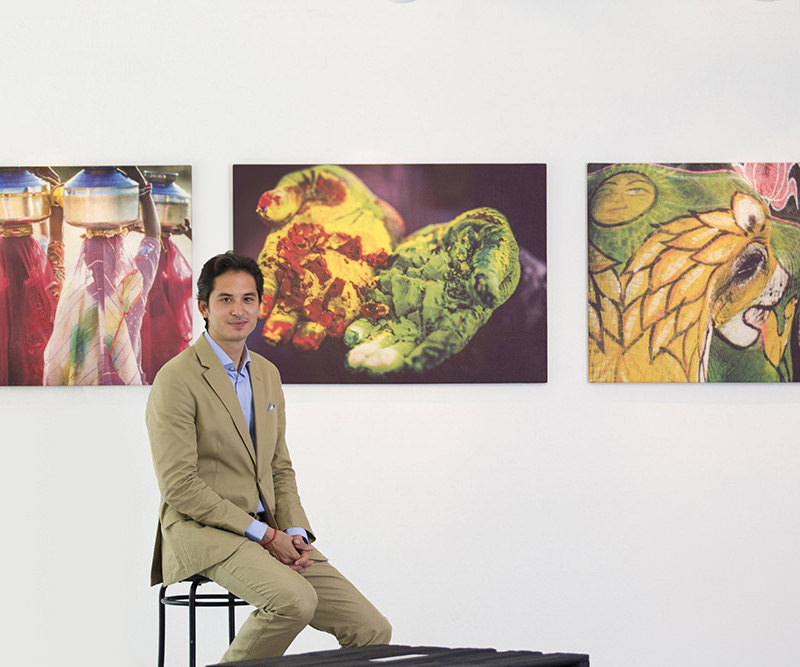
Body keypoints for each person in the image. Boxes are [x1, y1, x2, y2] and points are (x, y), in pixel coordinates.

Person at [146, 251, 391, 662]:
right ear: (203, 307)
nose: (238, 310)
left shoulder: (266, 373)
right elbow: (180, 487)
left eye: (248, 299)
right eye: (225, 299)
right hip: (204, 531)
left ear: (260, 305)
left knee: (372, 629)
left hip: (272, 529)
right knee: (294, 601)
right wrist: (265, 536)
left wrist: (294, 532)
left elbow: (279, 467)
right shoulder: (176, 378)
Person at [43, 166, 160, 385]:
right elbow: (153, 238)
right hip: (126, 386)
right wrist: (143, 191)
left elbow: (55, 247)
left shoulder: (73, 298)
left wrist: (58, 196)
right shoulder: (134, 287)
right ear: (120, 256)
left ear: (85, 260)